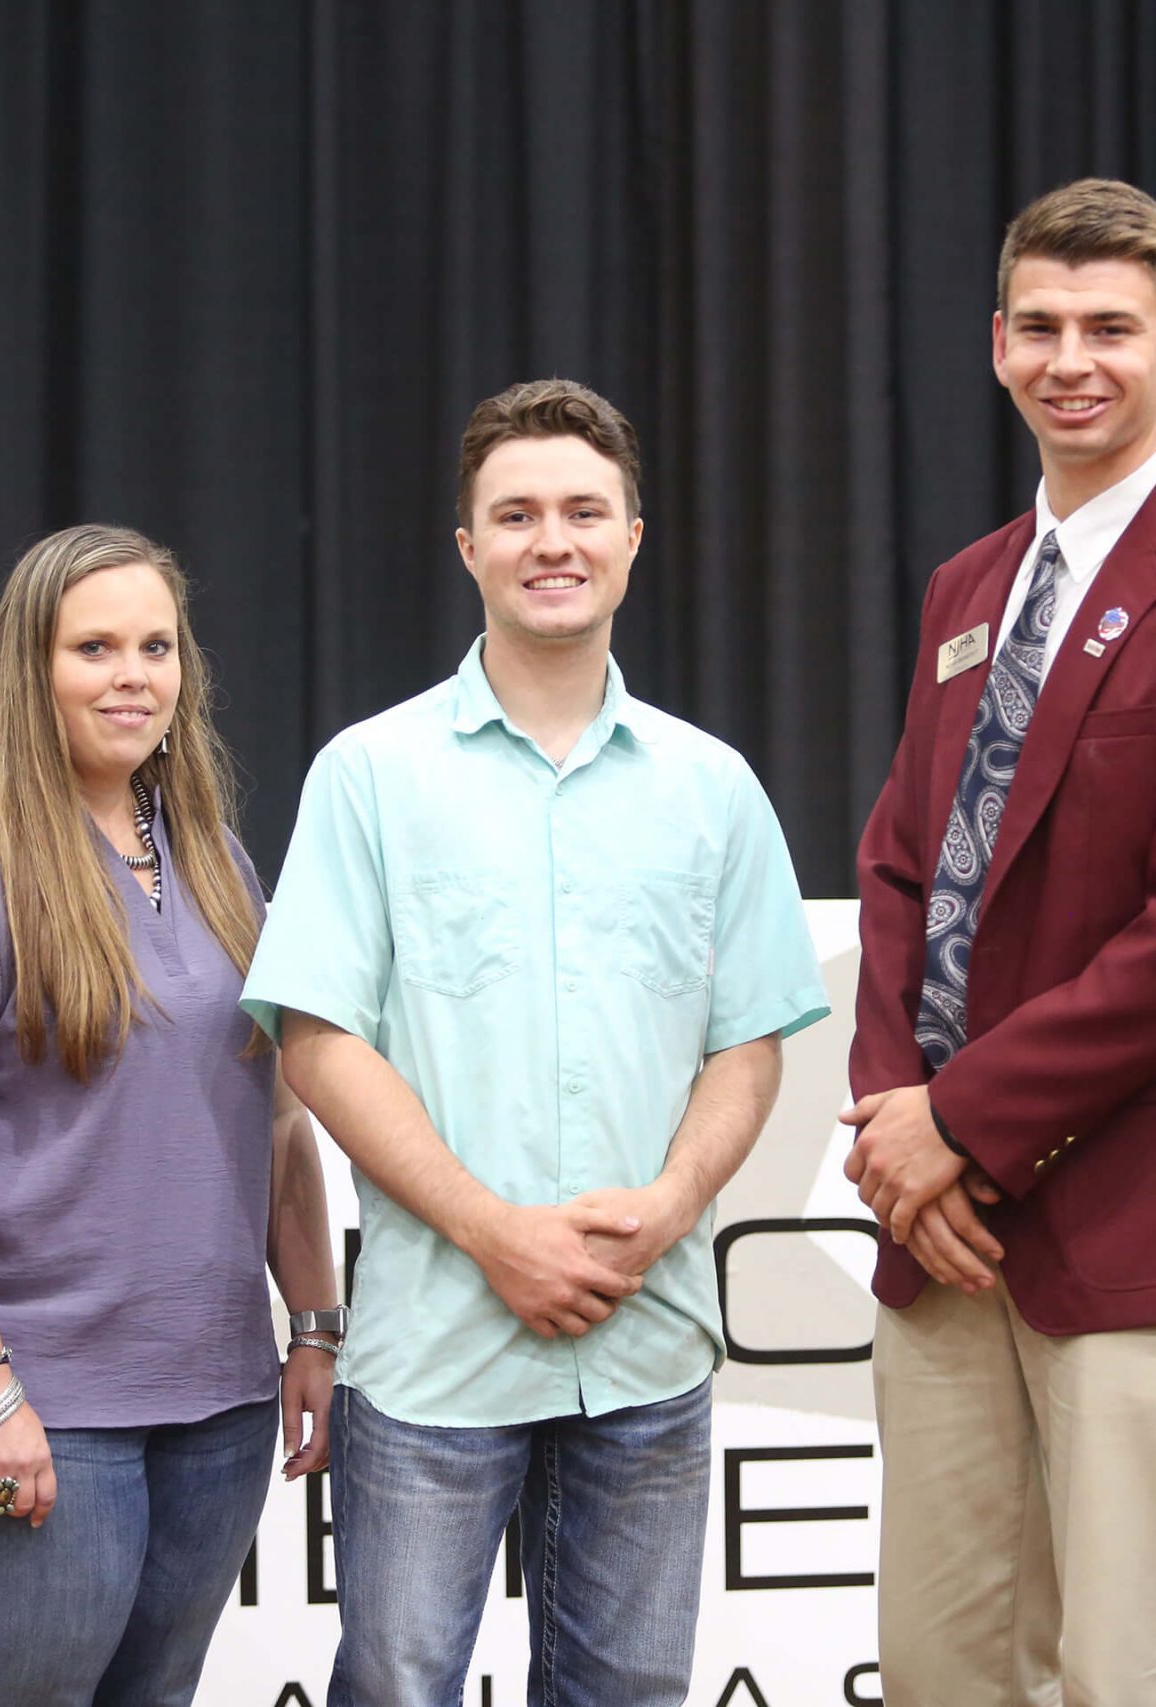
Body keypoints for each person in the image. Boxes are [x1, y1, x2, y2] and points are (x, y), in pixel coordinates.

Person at [241, 378, 827, 1706]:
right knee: (395, 1685)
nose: (550, 538)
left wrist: (675, 1201)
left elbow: (748, 1047)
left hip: (648, 1340)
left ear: (633, 536)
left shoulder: (712, 788)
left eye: (581, 510)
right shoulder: (370, 774)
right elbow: (322, 1043)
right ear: (468, 546)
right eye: (515, 513)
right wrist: (496, 1230)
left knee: (626, 1691)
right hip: (438, 1349)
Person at [849, 179, 1156, 1703]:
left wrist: (966, 1127)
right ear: (999, 346)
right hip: (941, 1237)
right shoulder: (967, 588)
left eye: (1114, 329)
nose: (1078, 359)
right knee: (941, 1668)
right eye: (1046, 327)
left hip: (1134, 1219)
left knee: (1131, 1669)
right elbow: (900, 867)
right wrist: (893, 1123)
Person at [0, 523, 340, 1704]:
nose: (133, 674)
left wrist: (315, 1325)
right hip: (30, 1396)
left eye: (156, 646)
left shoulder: (215, 855)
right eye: (94, 647)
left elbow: (275, 1118)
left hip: (214, 1394)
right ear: (32, 669)